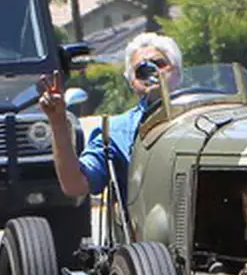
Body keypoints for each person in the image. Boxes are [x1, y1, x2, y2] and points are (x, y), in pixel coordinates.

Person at [37, 32, 182, 200]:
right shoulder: (116, 131)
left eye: (159, 64)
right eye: (141, 70)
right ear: (132, 83)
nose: (152, 72)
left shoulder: (207, 116)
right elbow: (75, 185)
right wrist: (57, 121)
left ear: (177, 73)